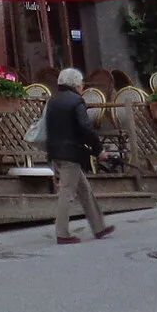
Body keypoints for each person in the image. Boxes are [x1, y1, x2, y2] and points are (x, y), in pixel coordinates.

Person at [46, 66, 115, 245]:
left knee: (84, 190)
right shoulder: (76, 101)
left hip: (56, 151)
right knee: (67, 192)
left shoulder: (52, 101)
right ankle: (62, 232)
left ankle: (98, 226)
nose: (83, 86)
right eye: (81, 83)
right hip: (71, 153)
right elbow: (85, 128)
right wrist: (99, 150)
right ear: (76, 85)